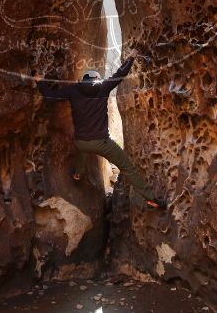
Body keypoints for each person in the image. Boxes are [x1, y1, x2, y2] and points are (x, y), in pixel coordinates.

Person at [34, 57, 167, 210]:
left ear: (83, 79)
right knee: (127, 167)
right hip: (102, 143)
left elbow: (50, 96)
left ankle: (77, 173)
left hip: (81, 142)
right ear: (97, 79)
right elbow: (120, 75)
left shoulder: (73, 90)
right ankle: (151, 198)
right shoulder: (103, 87)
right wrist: (130, 60)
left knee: (83, 149)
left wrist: (39, 80)